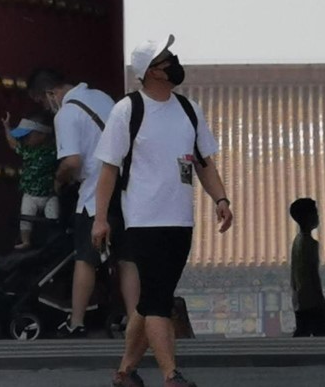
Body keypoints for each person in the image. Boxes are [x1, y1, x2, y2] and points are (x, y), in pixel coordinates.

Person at [92, 35, 233, 387]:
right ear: (152, 71)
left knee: (155, 297)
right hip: (142, 219)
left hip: (180, 220)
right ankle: (171, 374)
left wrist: (221, 199)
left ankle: (125, 371)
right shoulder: (128, 110)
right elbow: (108, 169)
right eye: (167, 58)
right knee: (157, 301)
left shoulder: (188, 109)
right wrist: (100, 218)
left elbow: (204, 163)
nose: (175, 61)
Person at [26, 68, 139, 338]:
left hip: (95, 194)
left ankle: (76, 322)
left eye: (42, 102)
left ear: (50, 93)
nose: (47, 108)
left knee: (85, 258)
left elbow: (73, 161)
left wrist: (58, 179)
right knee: (126, 258)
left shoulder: (66, 114)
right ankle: (137, 322)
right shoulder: (101, 97)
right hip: (126, 191)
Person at [1, 112, 58, 249]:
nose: (24, 140)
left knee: (54, 219)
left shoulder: (54, 151)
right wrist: (7, 127)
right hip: (30, 194)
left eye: (28, 136)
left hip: (50, 194)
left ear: (42, 135)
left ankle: (54, 242)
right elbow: (13, 143)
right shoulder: (27, 150)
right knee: (26, 217)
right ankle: (25, 241)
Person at [289, 198, 325, 337]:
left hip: (300, 298)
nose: (318, 216)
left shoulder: (297, 241)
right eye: (315, 213)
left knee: (302, 332)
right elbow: (312, 274)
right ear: (307, 217)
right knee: (322, 335)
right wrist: (319, 297)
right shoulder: (309, 244)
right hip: (311, 300)